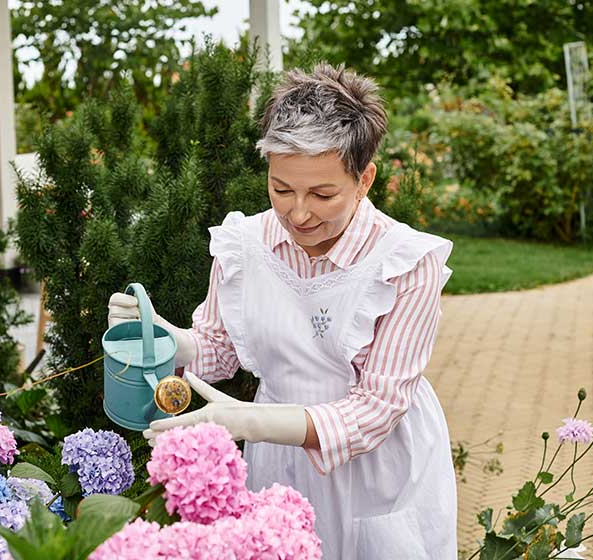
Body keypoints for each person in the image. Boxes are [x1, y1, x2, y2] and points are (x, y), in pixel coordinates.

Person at [107, 63, 457, 559]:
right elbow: (219, 348)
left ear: (365, 179)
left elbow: (377, 409)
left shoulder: (405, 264)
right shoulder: (244, 244)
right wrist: (166, 339)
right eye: (281, 189)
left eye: (323, 194)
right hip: (276, 459)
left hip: (377, 469)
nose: (297, 213)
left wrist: (252, 422)